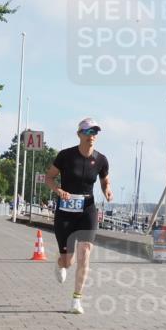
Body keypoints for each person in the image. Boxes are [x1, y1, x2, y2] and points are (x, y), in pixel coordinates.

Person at [45, 117, 112, 314]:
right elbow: (49, 177)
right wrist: (57, 190)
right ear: (79, 134)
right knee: (69, 260)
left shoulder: (101, 159)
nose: (92, 136)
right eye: (88, 132)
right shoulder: (65, 156)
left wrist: (107, 190)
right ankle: (61, 263)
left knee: (85, 254)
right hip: (65, 210)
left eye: (95, 132)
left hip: (87, 209)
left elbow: (105, 181)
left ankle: (76, 300)